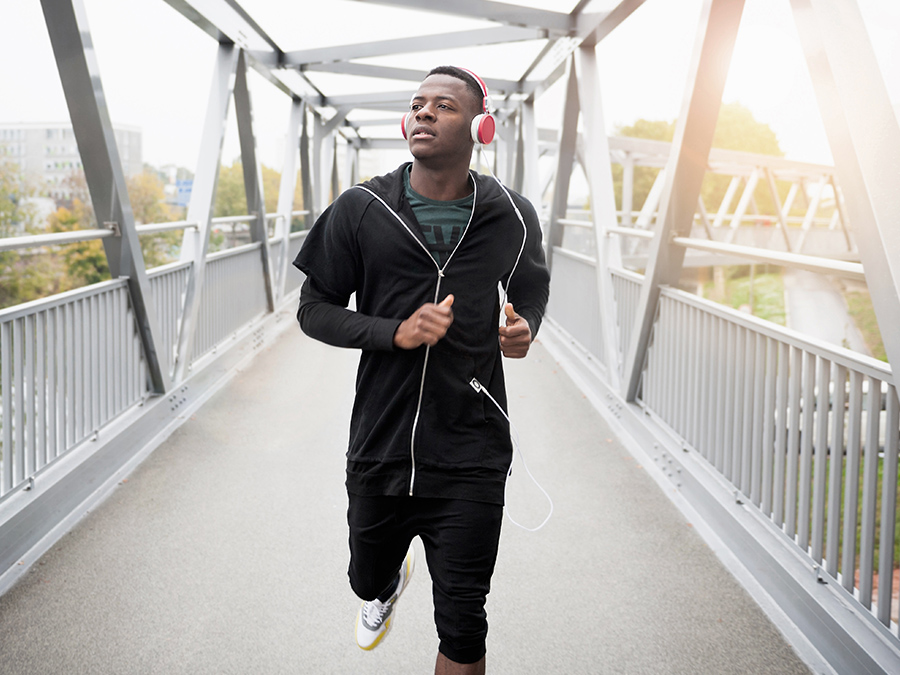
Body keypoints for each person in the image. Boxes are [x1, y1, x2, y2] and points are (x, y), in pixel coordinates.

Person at [293, 65, 550, 675]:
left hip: (472, 450)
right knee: (365, 575)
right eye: (418, 104)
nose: (427, 113)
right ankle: (381, 588)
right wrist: (394, 332)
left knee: (465, 624)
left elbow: (531, 290)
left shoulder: (511, 215)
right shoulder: (361, 208)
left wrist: (524, 329)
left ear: (480, 127)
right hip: (381, 446)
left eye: (445, 105)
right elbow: (313, 310)